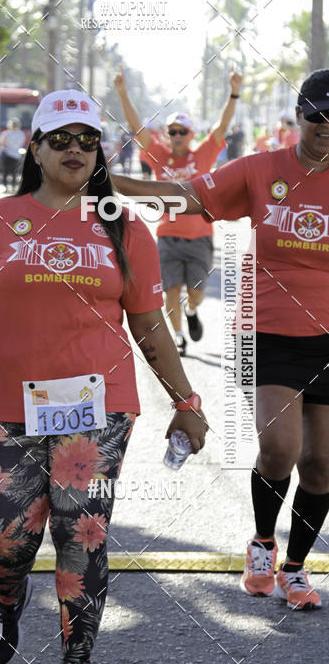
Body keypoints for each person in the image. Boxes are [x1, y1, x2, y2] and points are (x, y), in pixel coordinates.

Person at [0, 89, 208, 664]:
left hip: (98, 404)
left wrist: (186, 399)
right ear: (35, 149)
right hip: (10, 403)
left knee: (79, 531)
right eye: (60, 138)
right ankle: (7, 601)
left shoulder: (123, 226)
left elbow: (149, 322)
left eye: (87, 139)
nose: (75, 149)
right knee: (5, 537)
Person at [113, 69, 329, 611]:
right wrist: (112, 182)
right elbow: (185, 196)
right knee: (280, 448)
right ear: (299, 117)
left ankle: (295, 569)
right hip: (271, 329)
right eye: (317, 117)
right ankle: (263, 543)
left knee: (322, 464)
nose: (325, 127)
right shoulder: (262, 169)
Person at [114, 65, 242, 355]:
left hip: (200, 238)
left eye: (182, 131)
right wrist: (122, 93)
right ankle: (179, 335)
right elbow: (138, 129)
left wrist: (233, 93)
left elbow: (222, 127)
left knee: (195, 293)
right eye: (172, 131)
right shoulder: (159, 155)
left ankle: (192, 312)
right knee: (170, 290)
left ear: (191, 134)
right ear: (167, 135)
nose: (177, 136)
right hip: (168, 237)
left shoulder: (203, 155)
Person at [0, 117, 25, 191]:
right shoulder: (21, 134)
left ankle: (5, 187)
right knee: (14, 172)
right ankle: (14, 187)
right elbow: (22, 143)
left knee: (5, 172)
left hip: (7, 154)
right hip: (17, 155)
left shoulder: (6, 133)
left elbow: (1, 143)